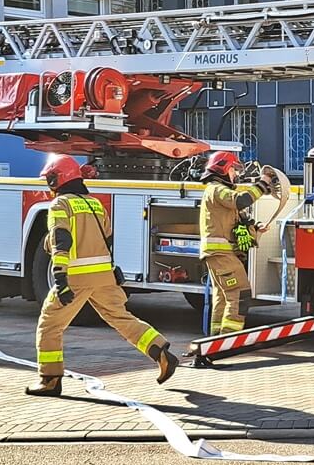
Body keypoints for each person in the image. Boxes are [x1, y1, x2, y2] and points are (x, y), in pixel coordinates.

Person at [26, 154, 178, 396]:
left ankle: (50, 380)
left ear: (59, 179)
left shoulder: (60, 205)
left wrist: (60, 277)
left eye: (51, 179)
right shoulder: (95, 204)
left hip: (76, 277)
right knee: (121, 318)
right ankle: (160, 351)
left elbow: (61, 240)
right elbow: (106, 240)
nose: (49, 184)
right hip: (103, 276)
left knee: (49, 325)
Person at [196, 151, 277, 336]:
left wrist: (255, 229)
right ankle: (226, 342)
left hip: (218, 255)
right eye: (233, 169)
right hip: (221, 255)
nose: (236, 174)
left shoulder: (217, 192)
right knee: (240, 295)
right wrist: (264, 182)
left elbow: (235, 224)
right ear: (223, 167)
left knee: (223, 298)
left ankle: (215, 340)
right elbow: (241, 201)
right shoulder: (217, 189)